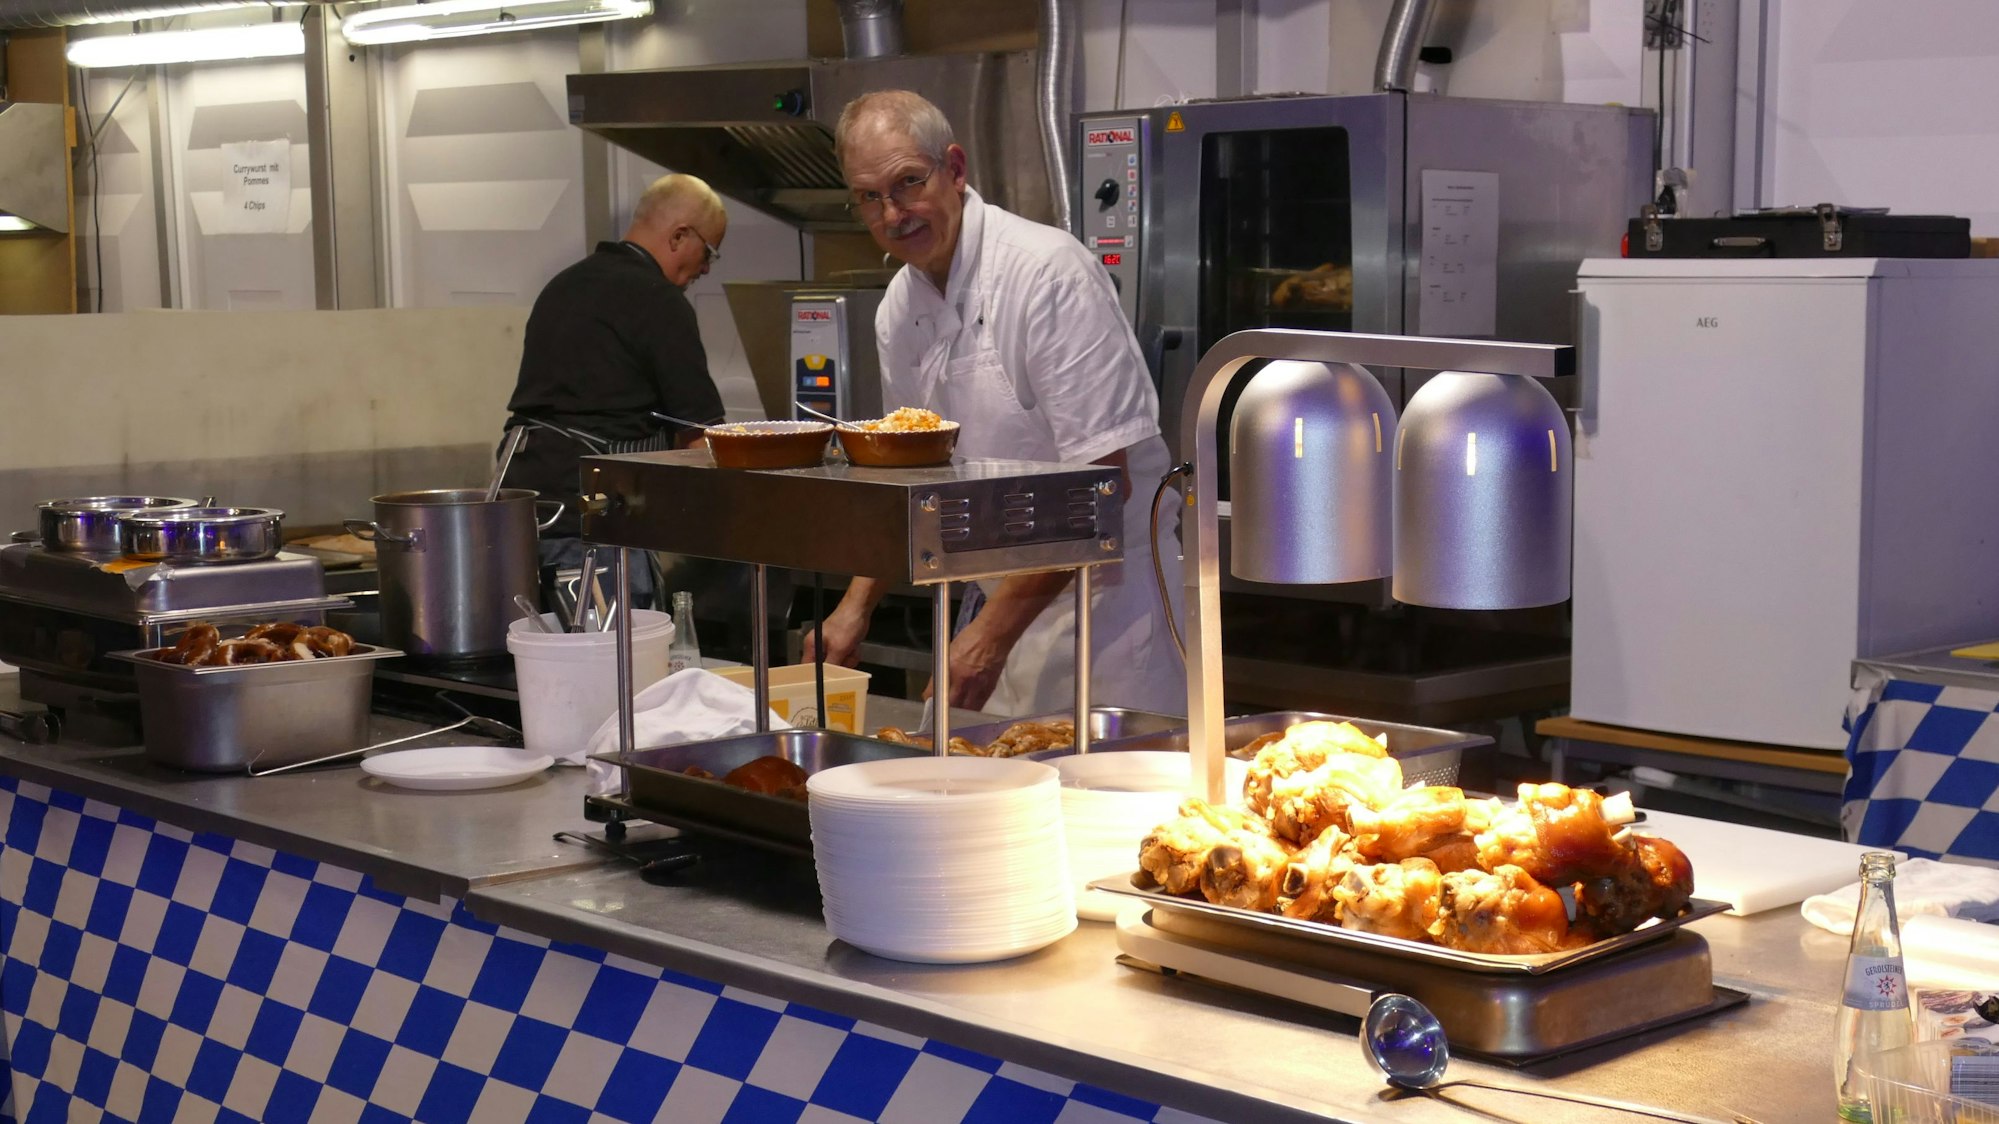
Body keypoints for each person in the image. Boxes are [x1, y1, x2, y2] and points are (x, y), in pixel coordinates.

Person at [804, 90, 1185, 718]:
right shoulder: (898, 309)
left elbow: (1101, 488)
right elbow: (910, 472)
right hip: (997, 607)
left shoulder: (1047, 273)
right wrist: (855, 606)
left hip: (1107, 613)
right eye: (869, 197)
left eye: (908, 183)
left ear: (955, 169)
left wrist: (988, 638)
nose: (893, 214)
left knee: (1099, 781)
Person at [499, 173, 730, 605]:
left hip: (523, 518)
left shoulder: (562, 286)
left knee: (541, 647)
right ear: (680, 236)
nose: (705, 268)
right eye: (709, 252)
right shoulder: (659, 301)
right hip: (599, 529)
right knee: (616, 648)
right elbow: (697, 438)